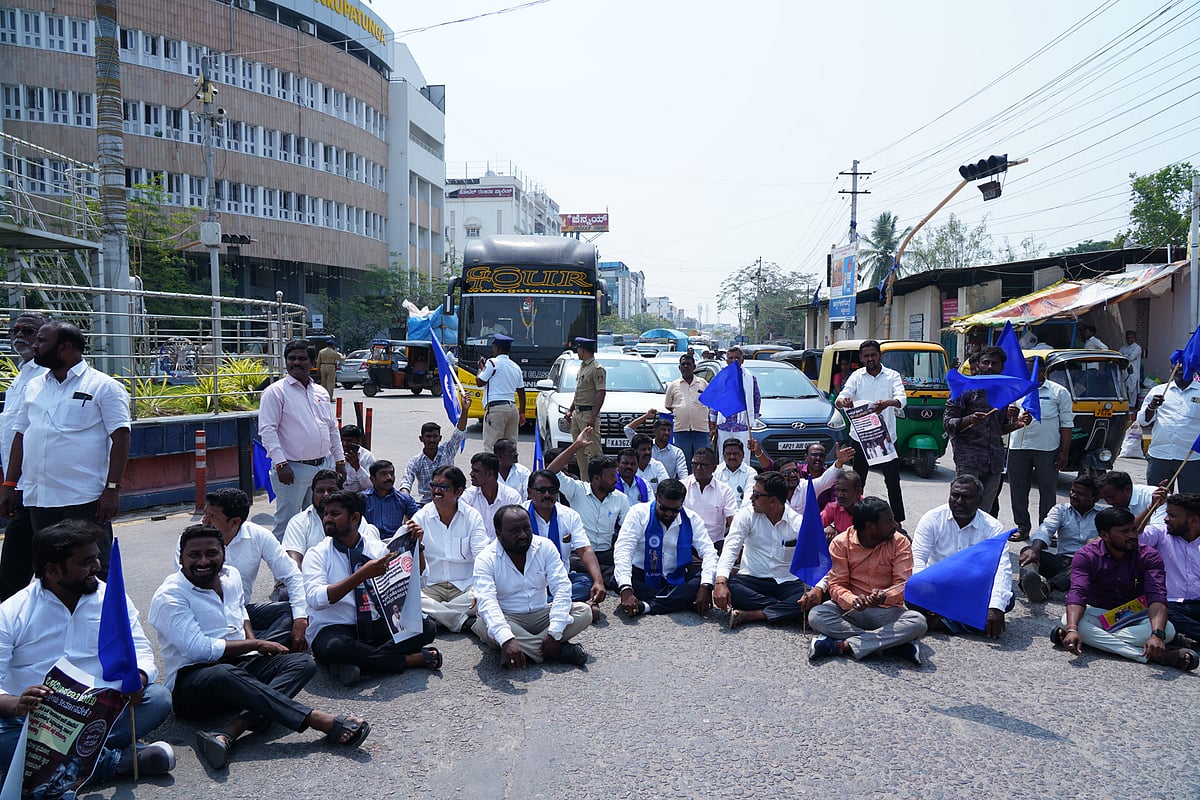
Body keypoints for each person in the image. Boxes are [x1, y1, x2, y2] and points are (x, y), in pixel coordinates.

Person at [150, 525, 370, 771]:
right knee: (223, 672)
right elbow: (199, 650)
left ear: (223, 553)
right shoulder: (169, 596)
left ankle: (230, 732)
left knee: (302, 663)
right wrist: (256, 643)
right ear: (181, 558)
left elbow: (240, 610)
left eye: (211, 553)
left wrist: (253, 647)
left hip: (237, 667)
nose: (203, 561)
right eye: (194, 555)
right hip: (193, 686)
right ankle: (318, 719)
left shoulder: (229, 576)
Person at [0, 520, 174, 784]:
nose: (96, 567)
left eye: (96, 558)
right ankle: (113, 762)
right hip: (35, 722)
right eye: (86, 562)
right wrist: (16, 704)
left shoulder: (110, 598)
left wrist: (138, 678)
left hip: (100, 712)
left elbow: (139, 650)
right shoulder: (13, 611)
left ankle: (47, 767)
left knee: (158, 698)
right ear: (52, 570)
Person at [0, 321, 131, 581]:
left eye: (41, 341)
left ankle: (102, 622)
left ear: (66, 348)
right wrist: (10, 484)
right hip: (40, 499)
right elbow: (21, 436)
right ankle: (56, 622)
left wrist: (112, 490)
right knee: (49, 571)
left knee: (95, 569)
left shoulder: (103, 386)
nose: (35, 346)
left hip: (84, 500)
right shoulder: (35, 386)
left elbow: (121, 438)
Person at [302, 490, 439, 686]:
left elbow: (418, 580)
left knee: (427, 627)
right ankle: (407, 660)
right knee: (334, 647)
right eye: (325, 514)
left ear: (355, 517)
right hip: (336, 628)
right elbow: (316, 598)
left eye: (334, 514)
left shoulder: (376, 549)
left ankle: (358, 664)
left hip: (374, 625)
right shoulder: (317, 554)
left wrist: (418, 546)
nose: (327, 519)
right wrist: (361, 575)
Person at [1054, 507, 1195, 671]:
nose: (1133, 535)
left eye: (1134, 529)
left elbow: (1156, 596)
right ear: (1104, 535)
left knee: (1167, 631)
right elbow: (1078, 593)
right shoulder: (1086, 556)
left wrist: (1157, 635)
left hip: (1133, 616)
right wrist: (1072, 628)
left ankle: (1084, 639)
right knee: (1068, 621)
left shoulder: (1149, 556)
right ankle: (1156, 656)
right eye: (1124, 531)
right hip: (1098, 614)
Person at [808, 497, 926, 664]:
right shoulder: (841, 543)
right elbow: (836, 585)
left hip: (886, 610)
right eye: (889, 520)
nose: (895, 525)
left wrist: (884, 596)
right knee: (816, 615)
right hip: (851, 611)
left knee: (918, 622)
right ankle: (891, 645)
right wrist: (854, 600)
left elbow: (903, 583)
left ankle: (842, 645)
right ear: (870, 526)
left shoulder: (900, 542)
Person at [471, 505, 593, 667]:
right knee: (484, 624)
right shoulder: (486, 559)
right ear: (499, 534)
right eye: (514, 531)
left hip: (542, 614)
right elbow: (487, 602)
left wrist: (554, 633)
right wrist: (507, 638)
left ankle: (522, 652)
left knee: (584, 612)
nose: (522, 535)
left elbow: (562, 589)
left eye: (526, 528)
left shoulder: (545, 547)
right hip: (509, 618)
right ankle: (559, 652)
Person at [256, 339, 345, 540]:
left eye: (302, 358)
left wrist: (339, 461)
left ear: (312, 362)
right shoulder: (275, 392)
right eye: (292, 358)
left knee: (320, 520)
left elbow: (331, 427)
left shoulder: (320, 392)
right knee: (287, 523)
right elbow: (267, 430)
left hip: (323, 468)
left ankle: (315, 565)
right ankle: (283, 570)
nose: (296, 362)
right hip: (292, 470)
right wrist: (281, 464)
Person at [200, 488, 308, 648]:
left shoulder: (258, 535)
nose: (204, 520)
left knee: (292, 612)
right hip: (205, 616)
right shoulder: (191, 540)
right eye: (205, 513)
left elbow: (291, 574)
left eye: (212, 516)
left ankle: (253, 650)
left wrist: (301, 618)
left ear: (235, 522)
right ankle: (254, 649)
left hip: (242, 612)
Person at [909, 475, 1012, 637]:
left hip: (972, 589)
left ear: (979, 500)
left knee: (1005, 602)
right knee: (911, 595)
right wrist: (923, 588)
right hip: (937, 587)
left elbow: (1001, 568)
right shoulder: (932, 519)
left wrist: (996, 607)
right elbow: (917, 558)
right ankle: (965, 621)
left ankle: (940, 621)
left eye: (966, 497)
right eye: (954, 495)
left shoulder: (993, 528)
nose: (958, 501)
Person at [712, 471, 814, 629]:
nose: (751, 498)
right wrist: (720, 581)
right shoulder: (746, 515)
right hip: (752, 580)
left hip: (787, 582)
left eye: (756, 495)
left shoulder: (798, 523)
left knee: (815, 595)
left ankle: (754, 614)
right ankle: (784, 609)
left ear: (773, 501)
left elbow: (815, 560)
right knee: (730, 586)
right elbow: (731, 548)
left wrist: (816, 592)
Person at [613, 479, 717, 617]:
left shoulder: (692, 519)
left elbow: (709, 552)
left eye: (675, 510)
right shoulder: (638, 513)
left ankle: (647, 606)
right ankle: (680, 601)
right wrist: (626, 589)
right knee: (616, 579)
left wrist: (705, 586)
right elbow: (624, 549)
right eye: (664, 508)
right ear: (656, 497)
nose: (669, 514)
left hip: (676, 577)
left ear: (682, 503)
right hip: (643, 577)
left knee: (704, 579)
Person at [943, 346, 1025, 515]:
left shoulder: (1003, 393)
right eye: (985, 362)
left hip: (994, 462)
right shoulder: (962, 390)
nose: (989, 367)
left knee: (985, 513)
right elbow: (947, 423)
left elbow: (999, 429)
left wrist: (1016, 424)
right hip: (969, 460)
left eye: (994, 363)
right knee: (963, 509)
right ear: (978, 365)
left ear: (1001, 367)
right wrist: (969, 419)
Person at [835, 339, 908, 526]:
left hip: (886, 438)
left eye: (873, 355)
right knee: (857, 482)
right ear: (861, 358)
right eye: (866, 356)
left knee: (893, 482)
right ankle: (854, 520)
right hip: (861, 438)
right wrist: (843, 401)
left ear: (880, 356)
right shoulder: (856, 377)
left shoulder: (892, 376)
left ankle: (897, 521)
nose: (870, 359)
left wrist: (888, 403)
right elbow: (842, 396)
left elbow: (902, 399)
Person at [0, 311, 46, 599]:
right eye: (15, 331)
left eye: (27, 331)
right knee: (16, 571)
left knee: (20, 570)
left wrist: (13, 485)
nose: (19, 337)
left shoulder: (45, 377)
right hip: (18, 485)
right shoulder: (23, 374)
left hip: (35, 488)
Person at [549, 429, 630, 590]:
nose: (616, 480)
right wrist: (576, 445)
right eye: (611, 476)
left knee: (628, 572)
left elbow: (628, 532)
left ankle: (596, 579)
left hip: (607, 555)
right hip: (580, 555)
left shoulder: (621, 498)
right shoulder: (577, 490)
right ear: (596, 478)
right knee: (570, 566)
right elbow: (550, 473)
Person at [413, 466, 488, 632]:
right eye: (434, 485)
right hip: (431, 586)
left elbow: (481, 557)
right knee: (407, 599)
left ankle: (438, 616)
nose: (437, 491)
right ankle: (460, 620)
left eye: (444, 487)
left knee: (488, 595)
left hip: (464, 587)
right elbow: (409, 560)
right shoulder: (420, 517)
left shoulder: (472, 517)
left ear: (458, 492)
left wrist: (480, 590)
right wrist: (415, 543)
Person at [1007, 355, 1074, 542]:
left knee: (1047, 491)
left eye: (1031, 369)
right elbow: (1008, 422)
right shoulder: (1016, 390)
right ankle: (1023, 527)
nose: (1027, 373)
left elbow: (1067, 424)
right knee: (1018, 491)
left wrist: (1064, 452)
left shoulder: (1058, 392)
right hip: (1018, 448)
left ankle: (1046, 530)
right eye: (1025, 370)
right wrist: (1010, 415)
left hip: (1047, 449)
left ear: (1043, 371)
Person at [525, 470, 606, 607]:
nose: (547, 495)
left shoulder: (569, 515)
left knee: (587, 583)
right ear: (529, 492)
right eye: (541, 490)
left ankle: (543, 604)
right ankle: (562, 604)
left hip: (560, 577)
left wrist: (598, 581)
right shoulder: (519, 515)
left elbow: (584, 549)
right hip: (528, 579)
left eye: (552, 490)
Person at [1019, 475, 1101, 603]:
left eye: (1080, 494)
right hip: (1062, 562)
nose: (1073, 495)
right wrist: (1034, 550)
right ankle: (1029, 582)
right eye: (1073, 491)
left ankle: (1046, 588)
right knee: (1027, 550)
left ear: (1095, 498)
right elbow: (1046, 528)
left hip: (1086, 565)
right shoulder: (1061, 510)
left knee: (1086, 564)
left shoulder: (1103, 516)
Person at [282, 469, 381, 570]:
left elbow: (371, 555)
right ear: (313, 493)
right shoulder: (299, 522)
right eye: (320, 491)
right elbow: (292, 564)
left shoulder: (353, 518)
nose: (325, 495)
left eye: (331, 490)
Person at [1140, 493, 1200, 646]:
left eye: (1172, 515)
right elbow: (1133, 535)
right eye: (1166, 513)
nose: (1166, 518)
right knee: (1163, 613)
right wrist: (1151, 508)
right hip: (1170, 604)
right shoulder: (1160, 533)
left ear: (1193, 520)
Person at [1137, 359, 1200, 494]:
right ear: (1171, 369)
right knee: (1158, 499)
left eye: (1184, 367)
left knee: (1191, 501)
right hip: (1160, 455)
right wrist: (1151, 407)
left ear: (1193, 369)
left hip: (1190, 457)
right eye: (1176, 367)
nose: (1179, 370)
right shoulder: (1158, 391)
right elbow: (1143, 421)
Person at [399, 401, 471, 505]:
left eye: (435, 436)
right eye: (428, 437)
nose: (432, 440)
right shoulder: (415, 461)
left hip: (450, 500)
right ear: (421, 439)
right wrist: (405, 498)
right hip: (427, 503)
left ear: (440, 438)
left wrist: (465, 410)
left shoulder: (448, 450)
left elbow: (459, 432)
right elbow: (406, 482)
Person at [562, 337, 606, 476]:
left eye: (579, 349)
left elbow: (601, 393)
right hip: (577, 414)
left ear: (583, 350)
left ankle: (600, 482)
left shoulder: (597, 369)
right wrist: (570, 410)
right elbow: (579, 392)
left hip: (588, 414)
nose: (577, 352)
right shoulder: (583, 367)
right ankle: (585, 482)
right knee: (579, 452)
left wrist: (593, 417)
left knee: (595, 452)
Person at [681, 447, 738, 552]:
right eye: (695, 464)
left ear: (714, 468)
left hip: (715, 545)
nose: (698, 468)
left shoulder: (725, 491)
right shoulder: (682, 486)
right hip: (687, 544)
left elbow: (733, 521)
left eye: (703, 465)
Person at [477, 333, 527, 451]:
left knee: (492, 447)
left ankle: (492, 470)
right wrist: (522, 413)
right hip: (512, 409)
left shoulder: (492, 363)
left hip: (496, 409)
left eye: (493, 347)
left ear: (497, 348)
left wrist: (480, 369)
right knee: (510, 448)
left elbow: (480, 382)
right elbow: (521, 392)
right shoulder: (515, 367)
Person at [709, 346, 760, 454]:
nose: (734, 361)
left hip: (743, 426)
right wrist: (712, 425)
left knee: (743, 455)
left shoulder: (750, 378)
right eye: (731, 358)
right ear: (726, 361)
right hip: (724, 425)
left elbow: (756, 399)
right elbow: (715, 402)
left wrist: (752, 419)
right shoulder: (721, 379)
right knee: (725, 455)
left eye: (737, 358)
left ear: (742, 360)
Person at [462, 451, 523, 540]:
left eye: (476, 471)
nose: (471, 474)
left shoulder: (512, 497)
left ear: (490, 474)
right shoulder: (467, 497)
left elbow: (515, 528)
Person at [664, 352, 710, 462]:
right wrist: (682, 412)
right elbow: (668, 405)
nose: (686, 367)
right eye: (683, 364)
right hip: (681, 430)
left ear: (694, 367)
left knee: (703, 459)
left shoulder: (703, 383)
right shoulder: (674, 385)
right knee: (683, 461)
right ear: (679, 367)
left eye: (688, 364)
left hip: (701, 429)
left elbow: (710, 403)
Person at [360, 460, 420, 538]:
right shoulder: (362, 499)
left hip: (396, 542)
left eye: (391, 474)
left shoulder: (404, 499)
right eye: (383, 474)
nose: (389, 477)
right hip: (370, 542)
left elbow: (419, 518)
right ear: (372, 479)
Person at [623, 413, 688, 480]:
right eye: (663, 429)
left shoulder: (677, 452)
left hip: (666, 487)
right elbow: (628, 429)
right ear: (654, 431)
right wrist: (647, 416)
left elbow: (683, 475)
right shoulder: (645, 445)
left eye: (669, 430)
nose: (666, 433)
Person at [1096, 471, 1167, 526]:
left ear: (1127, 489)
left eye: (1112, 497)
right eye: (1105, 498)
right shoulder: (1118, 504)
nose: (1109, 502)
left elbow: (1159, 533)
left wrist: (1150, 508)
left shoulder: (1159, 498)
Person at [821, 470, 863, 542]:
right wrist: (829, 527)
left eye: (844, 491)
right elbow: (813, 526)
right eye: (837, 490)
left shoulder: (870, 509)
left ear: (858, 492)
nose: (840, 495)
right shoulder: (832, 508)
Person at [715, 438, 756, 507]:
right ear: (723, 455)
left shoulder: (751, 473)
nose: (732, 457)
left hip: (742, 513)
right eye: (728, 454)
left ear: (743, 455)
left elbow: (748, 498)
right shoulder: (715, 471)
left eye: (736, 453)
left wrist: (738, 516)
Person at [339, 424, 376, 494]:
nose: (345, 444)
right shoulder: (334, 454)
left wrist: (357, 467)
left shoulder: (367, 457)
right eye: (342, 440)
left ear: (358, 441)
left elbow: (371, 485)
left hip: (359, 498)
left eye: (349, 441)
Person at [1119, 330, 1143, 405]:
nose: (1129, 339)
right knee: (1124, 388)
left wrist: (1124, 356)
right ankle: (1126, 404)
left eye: (1131, 338)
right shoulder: (1123, 348)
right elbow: (1118, 356)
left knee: (1132, 389)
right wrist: (1125, 357)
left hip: (1133, 372)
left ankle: (1132, 405)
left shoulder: (1137, 348)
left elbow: (1131, 357)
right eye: (1128, 338)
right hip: (1124, 371)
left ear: (1135, 338)